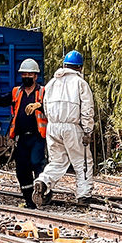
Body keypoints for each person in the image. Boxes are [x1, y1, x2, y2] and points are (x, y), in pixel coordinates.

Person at [33, 50, 96, 206]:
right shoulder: (80, 83)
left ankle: (43, 181)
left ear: (64, 65)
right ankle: (83, 195)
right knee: (83, 163)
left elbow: (45, 106)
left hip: (53, 127)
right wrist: (88, 131)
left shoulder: (52, 83)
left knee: (57, 161)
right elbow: (87, 110)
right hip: (71, 127)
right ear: (79, 67)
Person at [0, 59, 46, 207]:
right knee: (22, 168)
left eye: (29, 74)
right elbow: (1, 101)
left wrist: (40, 106)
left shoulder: (43, 92)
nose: (26, 76)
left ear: (35, 76)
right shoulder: (17, 92)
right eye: (24, 74)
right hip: (22, 138)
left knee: (37, 163)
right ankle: (29, 199)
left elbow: (53, 109)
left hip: (38, 137)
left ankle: (42, 192)